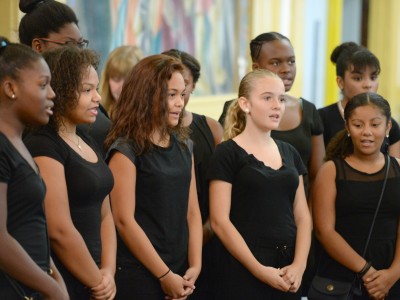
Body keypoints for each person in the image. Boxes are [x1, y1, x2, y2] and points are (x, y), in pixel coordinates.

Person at [208, 69, 312, 299]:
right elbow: (219, 221)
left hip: (287, 270)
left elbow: (303, 216)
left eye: (281, 98)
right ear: (245, 104)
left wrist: (299, 265)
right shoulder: (227, 153)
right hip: (242, 270)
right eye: (267, 98)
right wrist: (259, 270)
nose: (277, 105)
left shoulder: (290, 152)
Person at [105, 54, 202, 300]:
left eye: (182, 94)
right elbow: (124, 221)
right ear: (148, 95)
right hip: (141, 273)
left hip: (180, 272)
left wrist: (195, 265)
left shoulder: (184, 145)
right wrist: (164, 275)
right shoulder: (126, 150)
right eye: (171, 95)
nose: (180, 102)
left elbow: (192, 211)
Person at [24, 47, 116, 300]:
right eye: (87, 90)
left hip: (98, 277)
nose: (97, 97)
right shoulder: (43, 143)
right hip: (66, 280)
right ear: (60, 91)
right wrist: (97, 280)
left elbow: (106, 213)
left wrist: (108, 272)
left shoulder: (84, 137)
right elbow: (59, 229)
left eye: (96, 88)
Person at [312, 92, 400, 299]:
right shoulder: (331, 170)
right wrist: (367, 271)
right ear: (347, 127)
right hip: (339, 282)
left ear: (388, 127)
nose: (367, 132)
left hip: (391, 282)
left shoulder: (398, 169)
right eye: (358, 125)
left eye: (375, 125)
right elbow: (324, 232)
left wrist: (393, 274)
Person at [0, 37, 68, 299]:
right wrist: (51, 287)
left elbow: (33, 222)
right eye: (43, 85)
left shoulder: (19, 142)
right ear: (10, 87)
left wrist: (54, 277)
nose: (52, 94)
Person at [219, 32, 324, 198]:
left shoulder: (308, 111)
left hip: (296, 212)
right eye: (276, 63)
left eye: (291, 61)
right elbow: (223, 169)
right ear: (256, 68)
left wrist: (308, 219)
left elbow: (317, 176)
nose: (286, 69)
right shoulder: (236, 108)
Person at [162, 49, 223, 299]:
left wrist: (204, 233)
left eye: (184, 84)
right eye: (170, 87)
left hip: (208, 238)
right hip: (164, 247)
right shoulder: (140, 139)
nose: (179, 92)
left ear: (193, 85)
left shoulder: (210, 128)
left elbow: (223, 189)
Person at [19, 0, 111, 156]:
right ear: (38, 47)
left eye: (80, 44)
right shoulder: (34, 107)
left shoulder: (82, 95)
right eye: (69, 44)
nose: (77, 53)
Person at [318, 42, 400, 157]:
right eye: (358, 78)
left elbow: (395, 171)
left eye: (373, 77)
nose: (368, 85)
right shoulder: (321, 119)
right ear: (340, 82)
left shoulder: (389, 124)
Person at [100, 45, 143, 118]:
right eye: (116, 79)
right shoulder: (97, 116)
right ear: (107, 80)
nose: (123, 87)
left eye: (129, 80)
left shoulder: (155, 117)